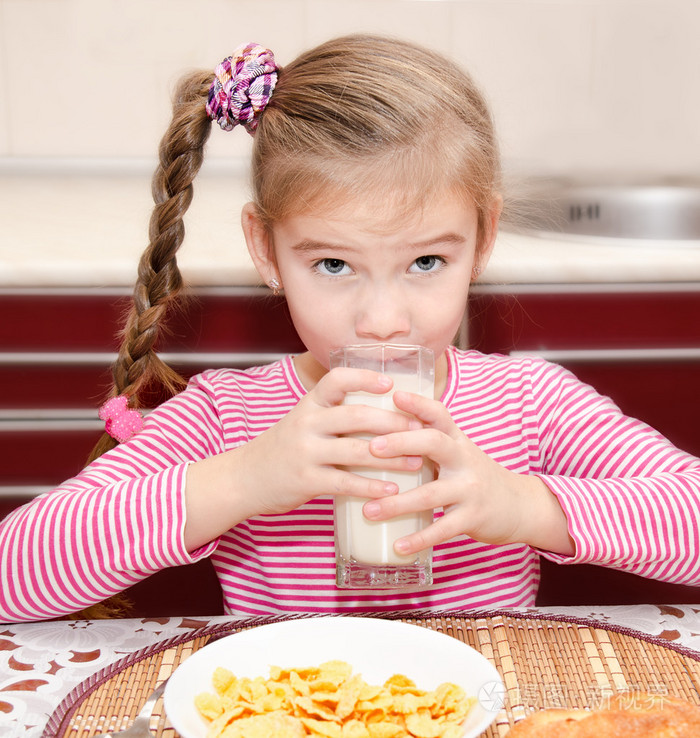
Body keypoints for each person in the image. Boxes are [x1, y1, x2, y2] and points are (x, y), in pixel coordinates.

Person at [1, 35, 699, 623]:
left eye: (427, 260)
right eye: (333, 264)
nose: (384, 320)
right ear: (267, 251)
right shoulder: (228, 418)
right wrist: (244, 479)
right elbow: (14, 575)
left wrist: (523, 504)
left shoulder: (529, 404)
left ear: (482, 239)